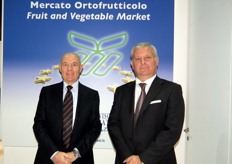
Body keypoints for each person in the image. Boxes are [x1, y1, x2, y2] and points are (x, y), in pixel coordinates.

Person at [107, 42, 185, 164]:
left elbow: (172, 130)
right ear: (132, 64)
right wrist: (128, 156)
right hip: (126, 160)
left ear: (156, 60)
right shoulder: (121, 91)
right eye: (138, 59)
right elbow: (113, 125)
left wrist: (143, 159)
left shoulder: (172, 90)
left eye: (147, 58)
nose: (143, 62)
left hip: (158, 160)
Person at [33, 52, 102, 164]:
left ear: (81, 68)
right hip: (49, 158)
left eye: (74, 65)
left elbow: (95, 127)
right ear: (60, 68)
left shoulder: (92, 95)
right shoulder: (47, 92)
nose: (69, 69)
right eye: (65, 64)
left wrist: (75, 153)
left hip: (80, 159)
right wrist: (55, 154)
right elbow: (39, 125)